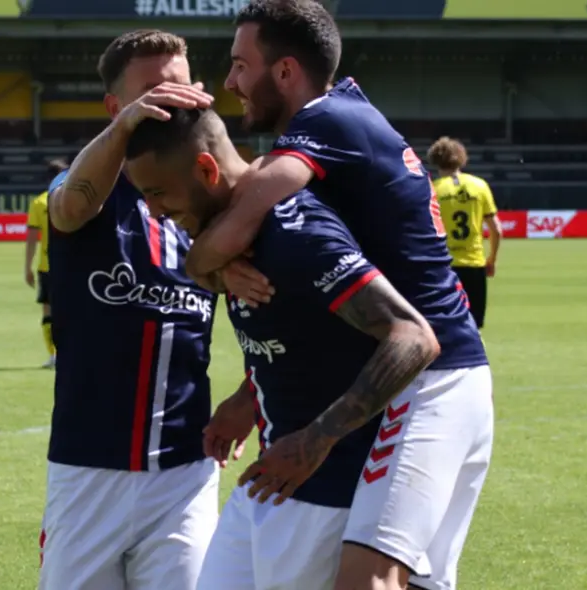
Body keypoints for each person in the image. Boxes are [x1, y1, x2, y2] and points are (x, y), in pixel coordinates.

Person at [183, 2, 494, 589]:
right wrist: (252, 395)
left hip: (427, 378)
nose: (229, 82)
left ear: (285, 73)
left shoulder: (325, 124)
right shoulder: (347, 114)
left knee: (369, 580)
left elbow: (247, 204)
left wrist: (207, 267)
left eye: (239, 64)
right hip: (439, 371)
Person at [126, 105, 452, 590]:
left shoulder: (294, 232)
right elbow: (301, 334)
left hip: (321, 491)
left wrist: (316, 439)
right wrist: (247, 399)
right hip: (267, 483)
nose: (152, 211)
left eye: (157, 193)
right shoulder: (234, 239)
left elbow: (412, 337)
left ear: (206, 169)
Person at [37, 30, 233, 590]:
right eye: (151, 91)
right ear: (114, 106)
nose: (167, 101)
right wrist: (125, 131)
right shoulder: (87, 188)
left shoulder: (216, 198)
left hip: (184, 474)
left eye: (179, 86)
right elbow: (70, 207)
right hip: (87, 469)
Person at [427, 137, 501, 329]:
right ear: (462, 158)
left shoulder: (432, 189)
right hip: (474, 263)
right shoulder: (480, 185)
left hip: (444, 266)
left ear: (435, 159)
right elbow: (496, 230)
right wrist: (491, 259)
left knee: (444, 324)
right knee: (473, 326)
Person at [25, 159, 69, 368]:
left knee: (48, 311)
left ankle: (54, 354)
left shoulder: (39, 203)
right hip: (71, 264)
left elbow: (32, 238)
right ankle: (71, 352)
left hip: (46, 265)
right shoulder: (72, 201)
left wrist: (27, 267)